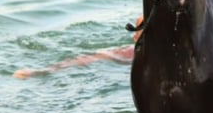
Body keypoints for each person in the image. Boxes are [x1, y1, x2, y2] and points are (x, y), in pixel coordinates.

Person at [13, 17, 142, 79]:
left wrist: (43, 71)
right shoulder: (128, 53)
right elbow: (87, 59)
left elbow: (89, 58)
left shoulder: (129, 53)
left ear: (135, 37)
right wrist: (43, 71)